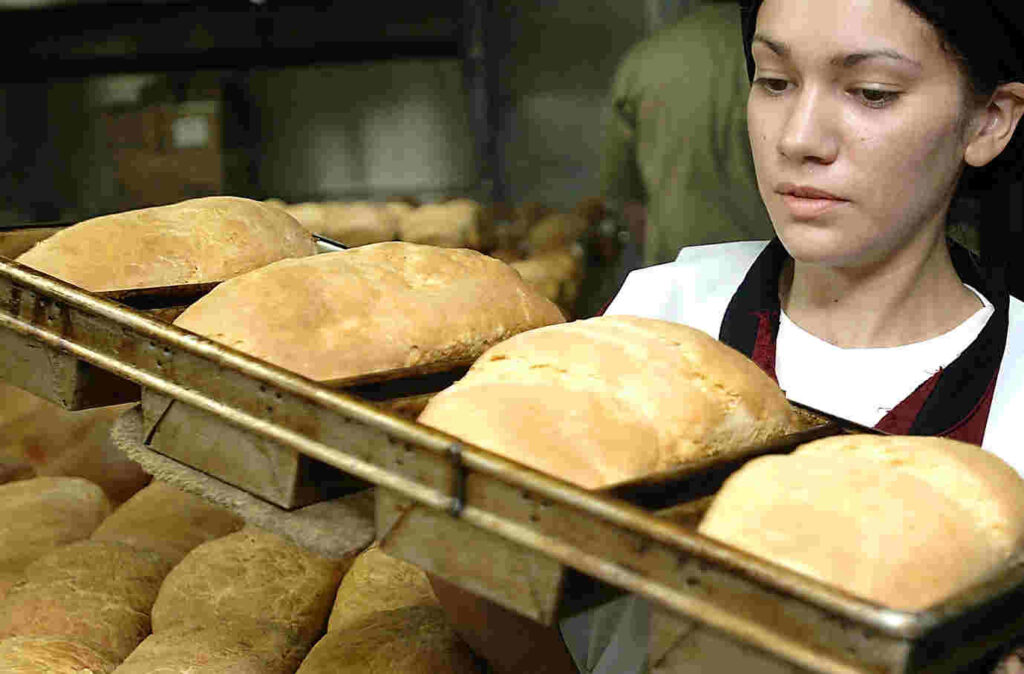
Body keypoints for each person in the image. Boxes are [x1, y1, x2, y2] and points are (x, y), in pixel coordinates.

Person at [431, 0, 1024, 671]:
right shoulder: (657, 317)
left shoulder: (1016, 394)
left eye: (870, 93)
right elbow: (485, 576)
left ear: (988, 120)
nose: (799, 137)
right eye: (774, 81)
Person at [601, 0, 774, 269]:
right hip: (768, 273)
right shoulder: (773, 58)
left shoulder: (643, 61)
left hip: (674, 271)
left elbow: (625, 194)